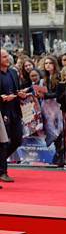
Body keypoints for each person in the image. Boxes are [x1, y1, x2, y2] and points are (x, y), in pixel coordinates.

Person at [0, 48, 27, 183]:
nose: (8, 58)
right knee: (3, 143)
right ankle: (3, 171)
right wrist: (2, 98)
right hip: (2, 112)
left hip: (15, 110)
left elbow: (17, 90)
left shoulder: (13, 73)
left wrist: (20, 94)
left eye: (7, 56)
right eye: (4, 57)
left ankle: (1, 162)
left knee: (17, 139)